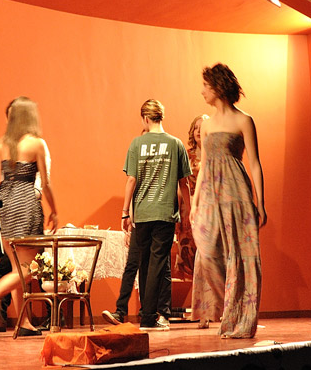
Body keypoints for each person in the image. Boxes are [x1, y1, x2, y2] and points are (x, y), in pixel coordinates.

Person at [190, 63, 266, 339]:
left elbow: (254, 163)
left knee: (241, 253)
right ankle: (231, 306)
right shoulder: (207, 125)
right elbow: (204, 165)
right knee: (207, 250)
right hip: (211, 193)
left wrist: (261, 202)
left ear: (218, 87)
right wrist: (195, 202)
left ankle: (240, 317)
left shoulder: (244, 120)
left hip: (236, 192)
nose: (202, 91)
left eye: (206, 86)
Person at [102, 99, 191, 332]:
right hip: (164, 212)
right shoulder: (176, 144)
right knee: (157, 265)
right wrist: (188, 212)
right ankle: (148, 317)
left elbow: (131, 180)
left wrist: (125, 213)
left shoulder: (136, 143)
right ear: (161, 116)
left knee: (143, 263)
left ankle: (147, 315)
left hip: (141, 213)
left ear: (145, 118)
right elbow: (184, 183)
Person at [0, 96, 58, 336]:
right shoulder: (36, 144)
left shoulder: (1, 145)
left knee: (17, 268)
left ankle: (23, 322)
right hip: (25, 204)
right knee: (29, 268)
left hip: (4, 205)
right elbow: (45, 182)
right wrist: (55, 210)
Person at [174, 114, 208, 280]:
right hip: (188, 206)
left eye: (202, 128)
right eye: (196, 128)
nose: (199, 131)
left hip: (209, 207)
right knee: (188, 250)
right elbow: (180, 186)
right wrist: (180, 213)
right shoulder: (186, 156)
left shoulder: (216, 155)